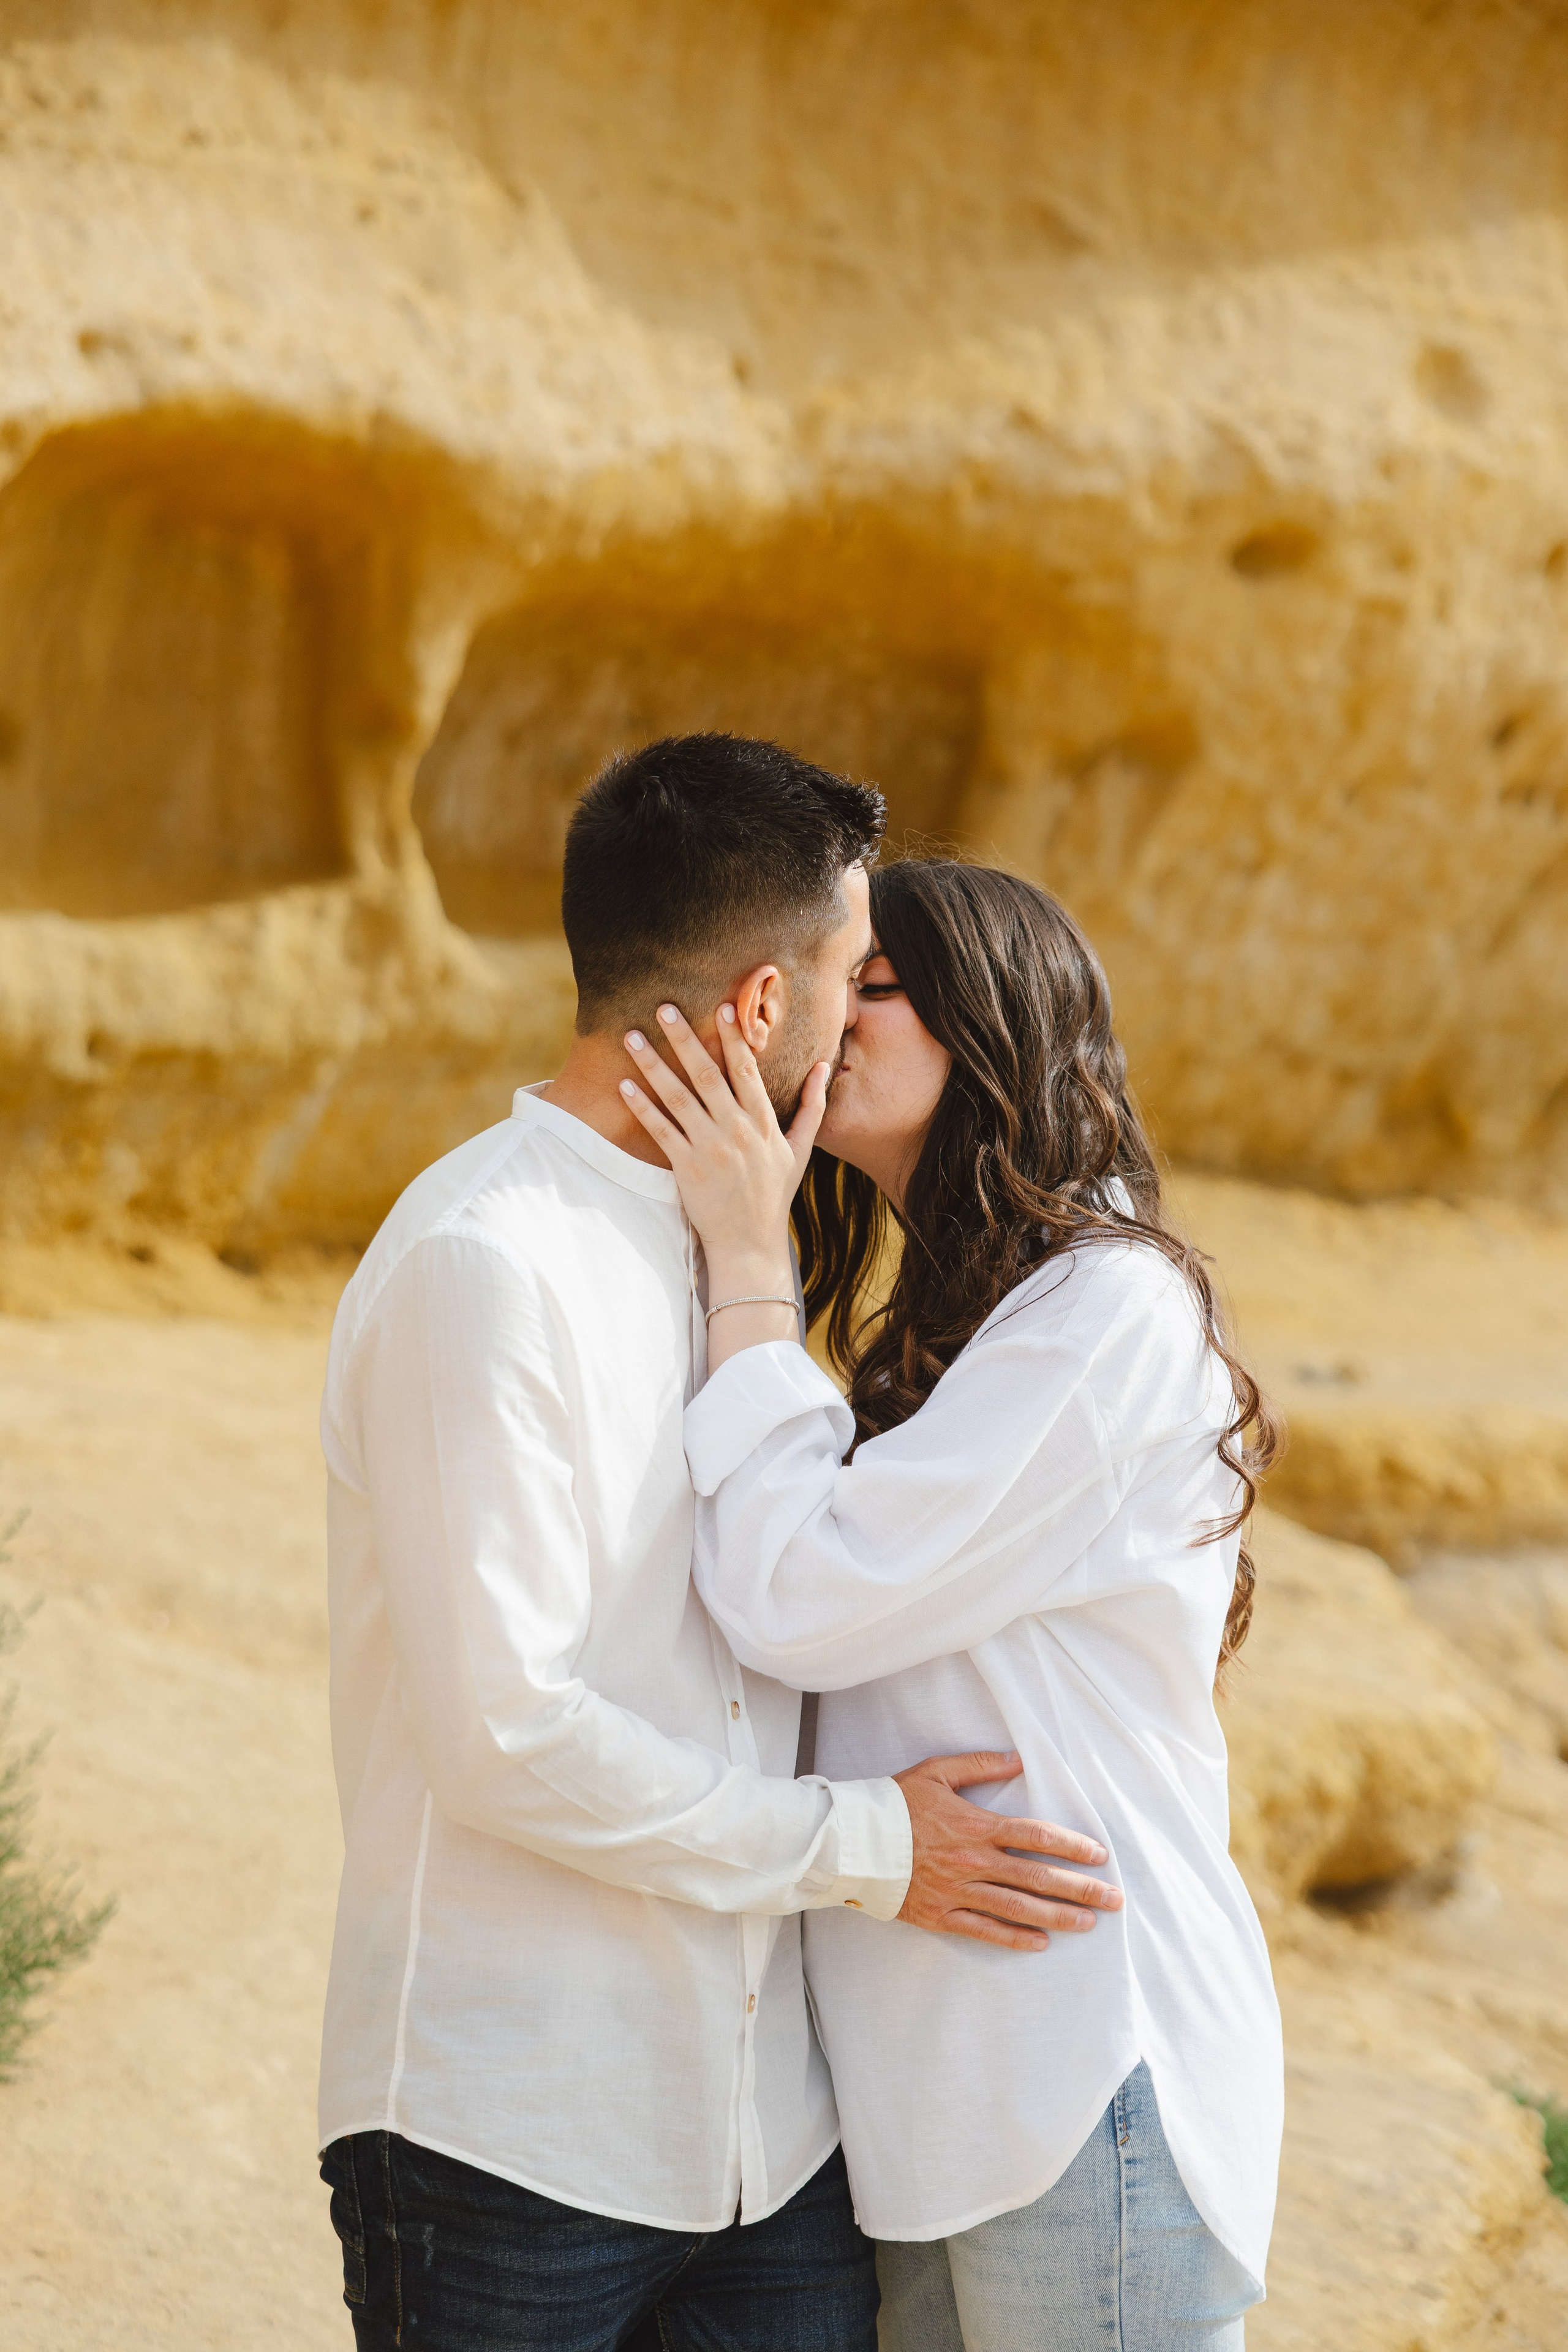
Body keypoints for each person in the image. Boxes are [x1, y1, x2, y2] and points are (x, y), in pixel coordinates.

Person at [315, 741, 1123, 2352]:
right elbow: (508, 1738)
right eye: (853, 974)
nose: (862, 1017)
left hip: (774, 2155)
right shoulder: (488, 1265)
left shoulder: (727, 1239)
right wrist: (872, 1847)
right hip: (512, 2151)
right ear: (766, 1009)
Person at [617, 855, 1287, 2351]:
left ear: (986, 1021)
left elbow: (793, 1596)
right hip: (943, 2102)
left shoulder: (1105, 1308)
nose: (828, 1020)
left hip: (1077, 2071)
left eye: (874, 985)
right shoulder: (967, 1321)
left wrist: (743, 1261)